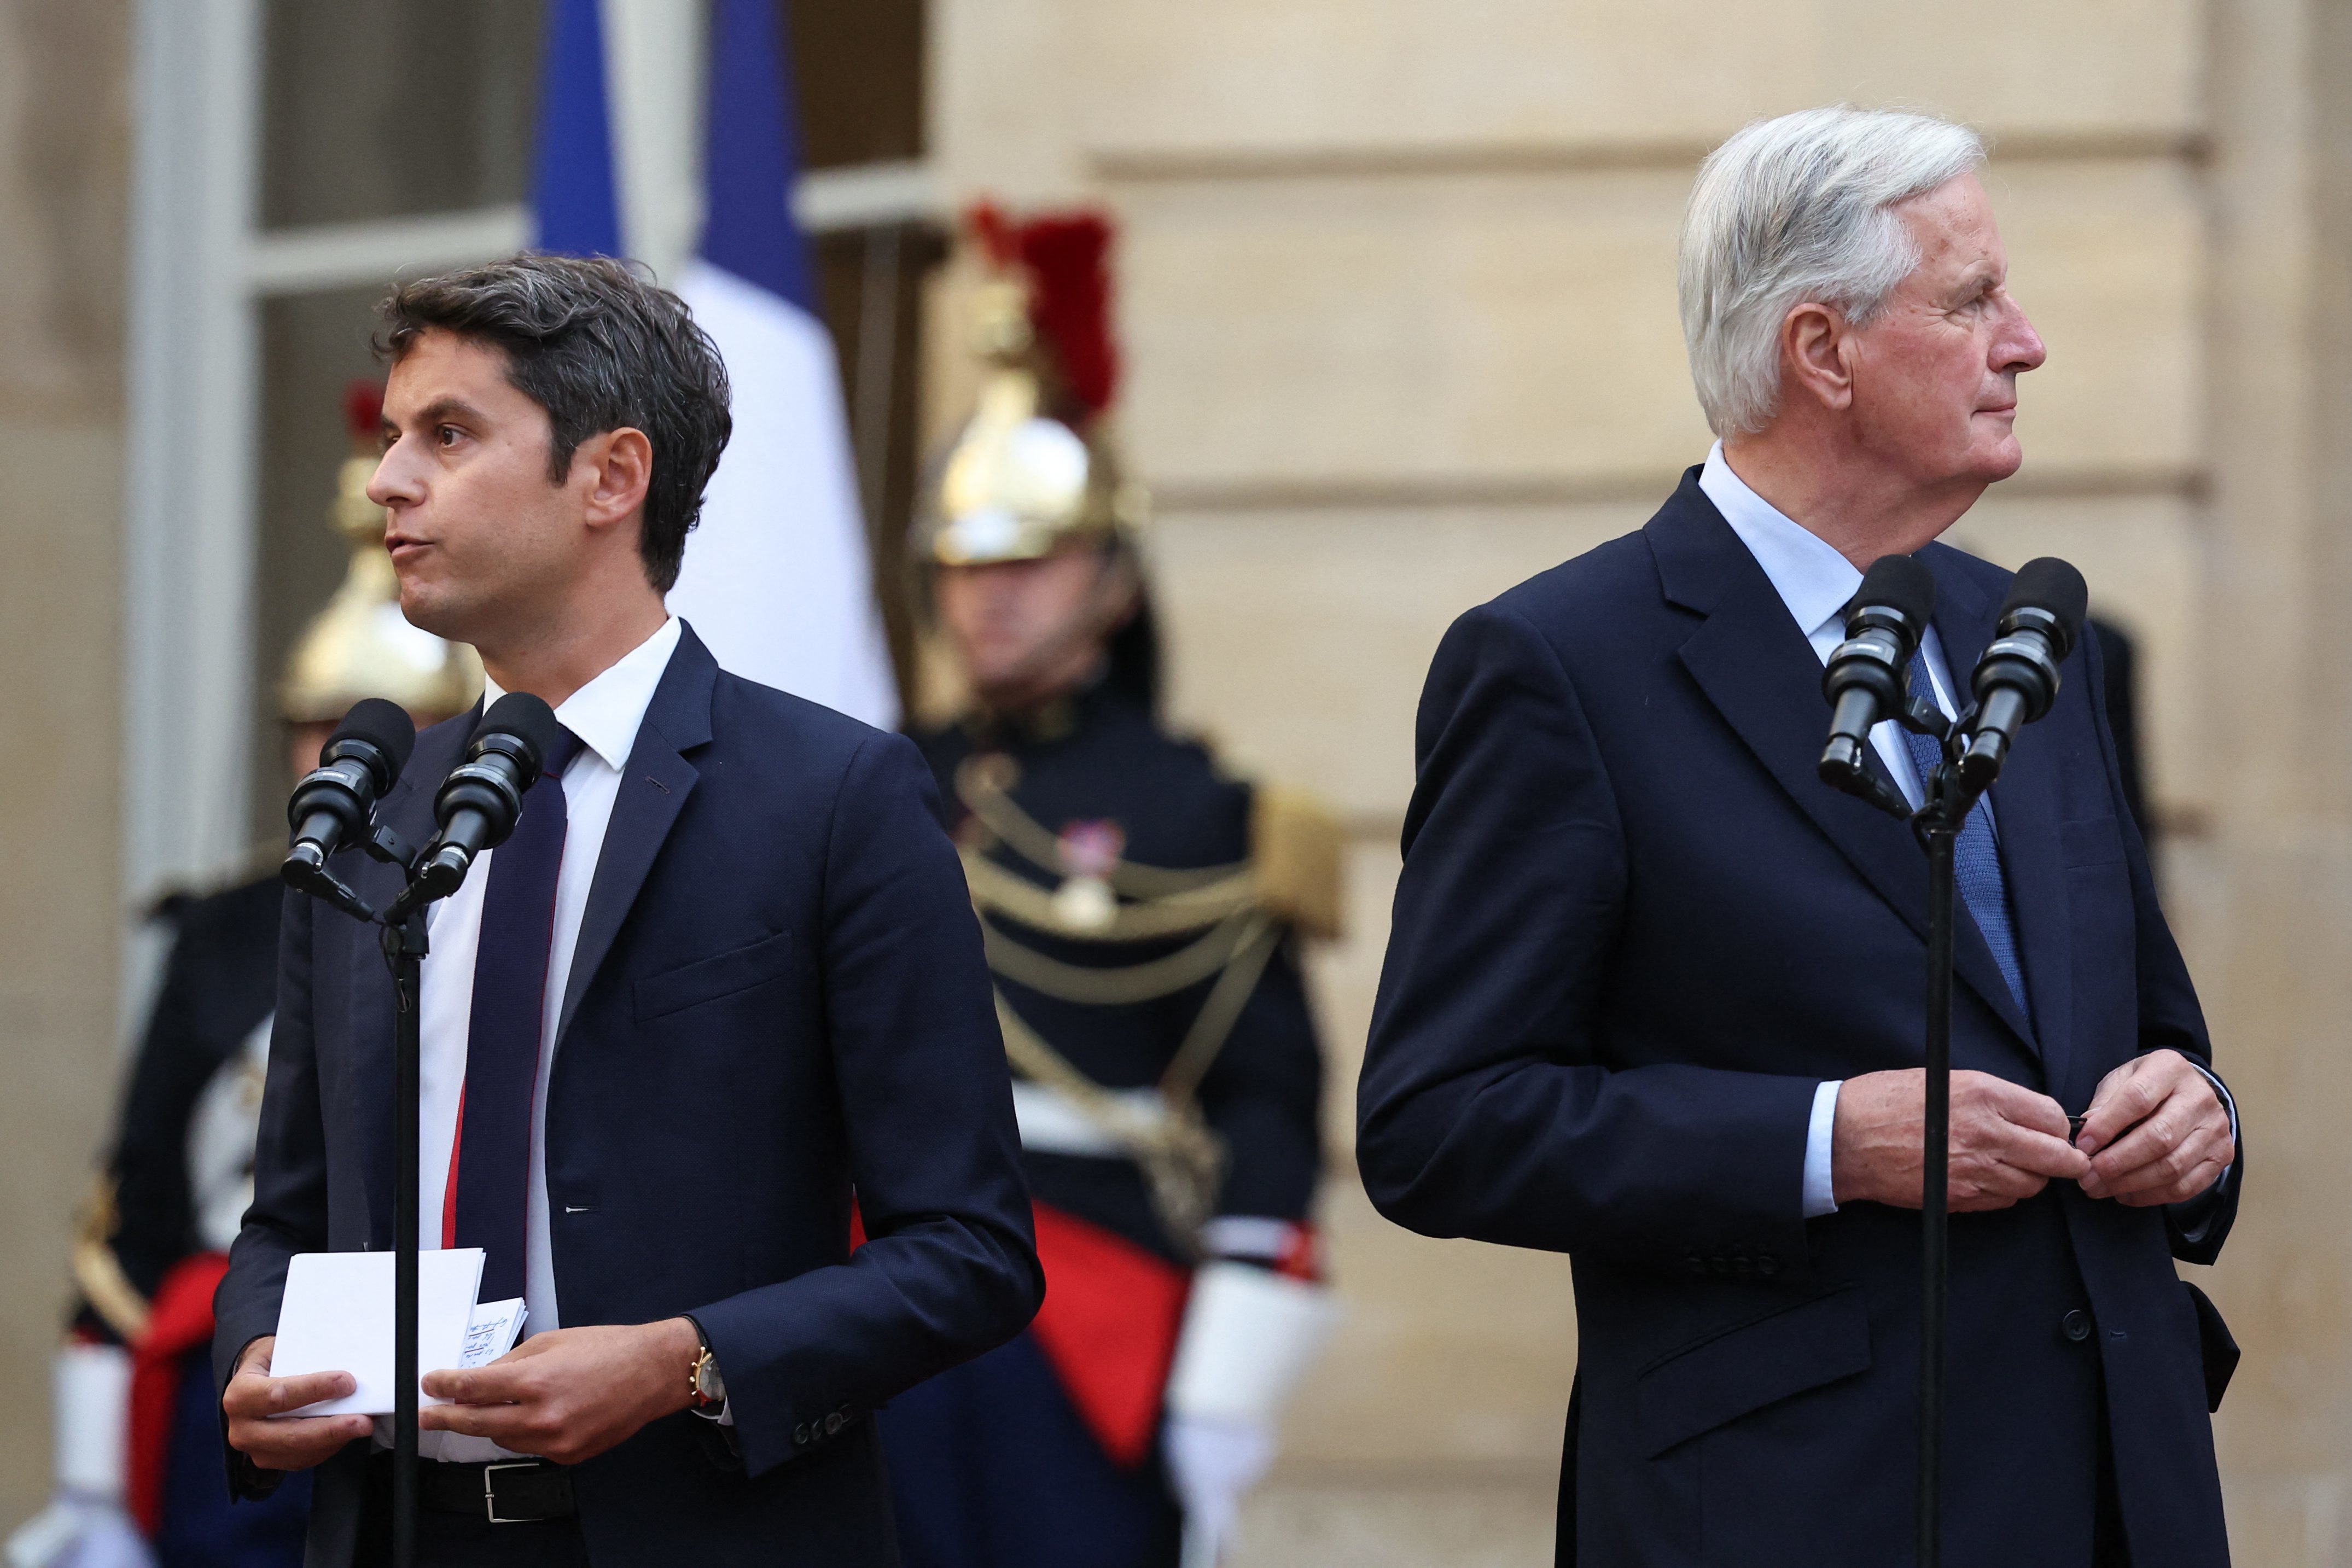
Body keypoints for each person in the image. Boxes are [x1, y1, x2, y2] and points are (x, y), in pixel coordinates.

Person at [1357, 108, 2241, 1567]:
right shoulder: (1562, 662)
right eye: (1969, 303)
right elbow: (1438, 1121)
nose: (2023, 344)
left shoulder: (2033, 634)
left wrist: (2193, 1112)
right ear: (1820, 351)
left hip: (2111, 1490)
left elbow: (2141, 1023)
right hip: (1793, 1507)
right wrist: (1829, 1140)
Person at [208, 254, 1042, 1568]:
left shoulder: (831, 797)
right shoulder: (371, 804)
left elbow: (971, 1251)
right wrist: (257, 1352)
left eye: (449, 434)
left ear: (610, 477)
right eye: (391, 438)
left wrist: (682, 1362)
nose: (387, 482)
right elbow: (288, 1218)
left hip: (700, 1529)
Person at [881, 207, 1336, 1568]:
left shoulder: (1203, 809)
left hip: (1081, 1295)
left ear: (1114, 580)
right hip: (865, 1284)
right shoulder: (875, 779)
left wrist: (1230, 1366)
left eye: (1029, 565)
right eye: (964, 569)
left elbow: (1266, 1101)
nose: (991, 602)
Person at [7, 383, 479, 1568]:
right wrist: (89, 1473)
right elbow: (138, 1198)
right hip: (250, 1344)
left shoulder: (498, 897)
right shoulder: (226, 930)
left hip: (448, 1341)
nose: (332, 761)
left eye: (364, 729)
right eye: (310, 732)